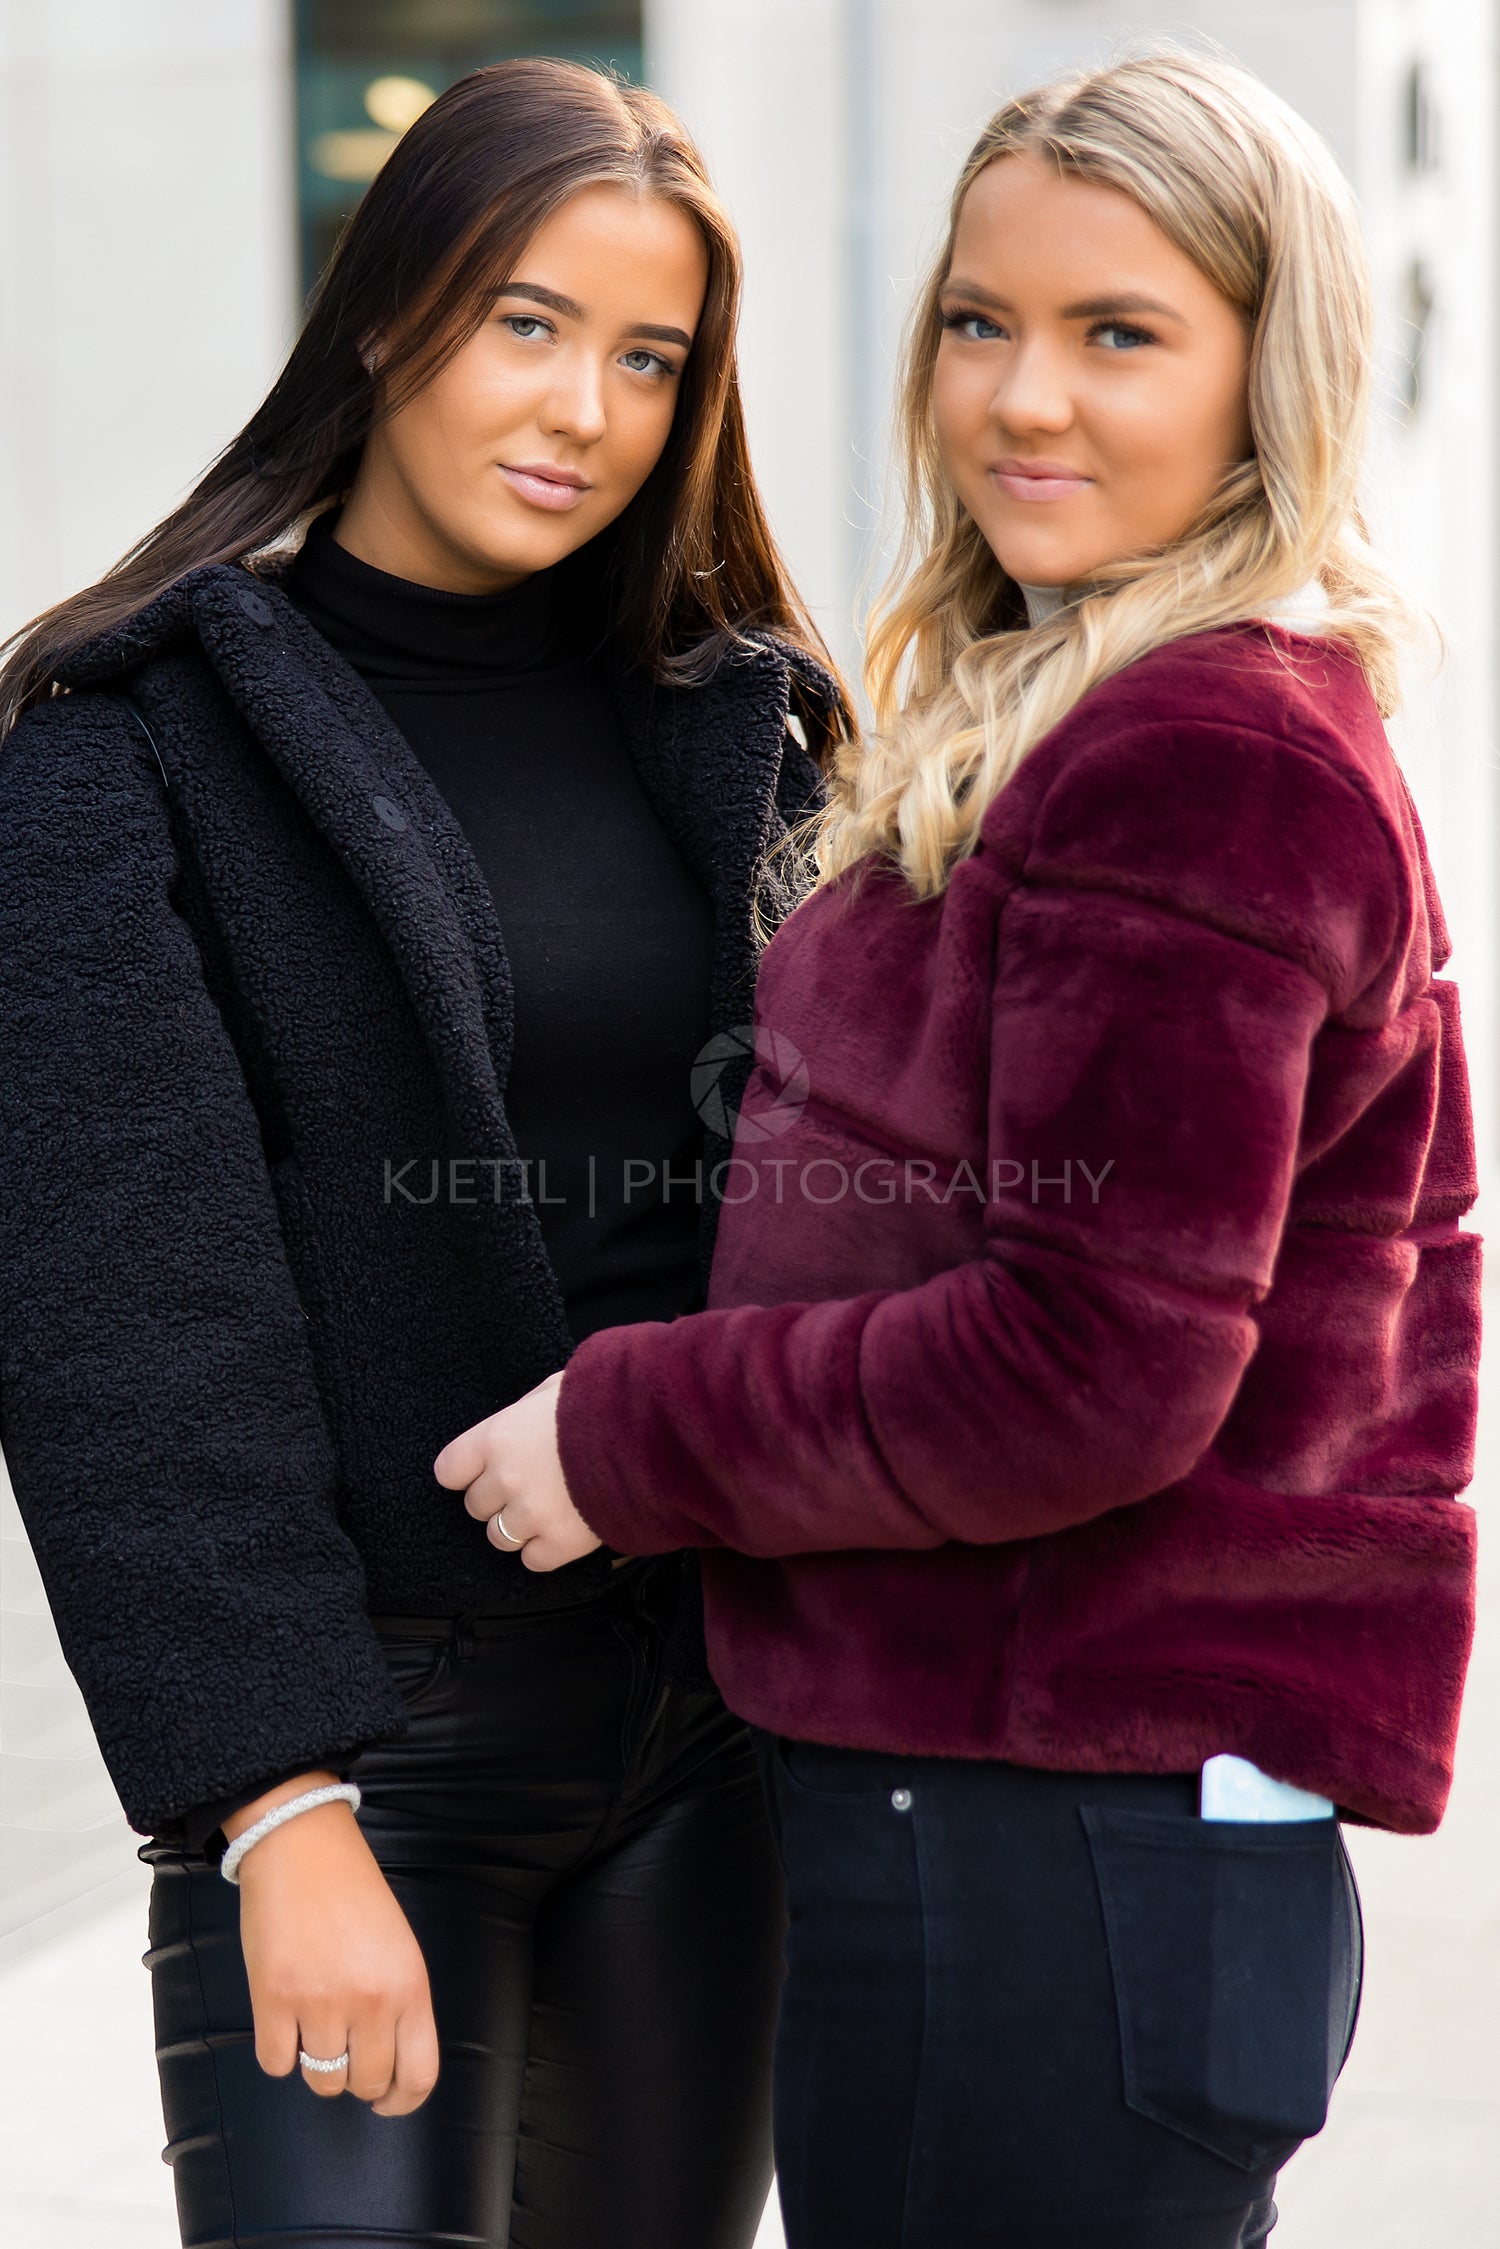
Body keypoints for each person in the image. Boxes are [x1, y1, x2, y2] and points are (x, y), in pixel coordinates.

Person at [437, 51, 1481, 2248]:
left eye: (1121, 335)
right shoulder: (1121, 709)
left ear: (1261, 376)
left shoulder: (1202, 753)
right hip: (1057, 1822)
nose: (1025, 399)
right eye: (979, 321)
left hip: (1049, 1837)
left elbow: (1090, 1363)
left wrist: (627, 1436)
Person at [0, 58, 850, 2249]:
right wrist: (275, 1807)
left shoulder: (751, 729)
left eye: (650, 356)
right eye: (526, 322)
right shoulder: (126, 750)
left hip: (717, 1728)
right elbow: (121, 1318)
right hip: (374, 1743)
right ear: (390, 314)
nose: (583, 407)